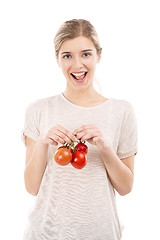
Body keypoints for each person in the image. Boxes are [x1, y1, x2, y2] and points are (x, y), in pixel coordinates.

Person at [22, 19, 138, 240]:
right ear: (57, 59)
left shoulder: (122, 111)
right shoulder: (38, 110)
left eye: (86, 54)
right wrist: (44, 139)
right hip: (46, 234)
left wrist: (104, 147)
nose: (77, 65)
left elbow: (125, 187)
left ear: (98, 56)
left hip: (101, 233)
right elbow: (31, 187)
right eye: (67, 56)